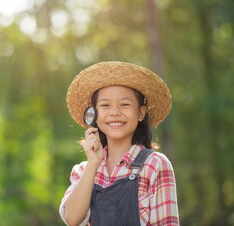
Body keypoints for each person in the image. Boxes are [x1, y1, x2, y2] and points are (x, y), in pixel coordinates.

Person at [59, 61, 179, 226]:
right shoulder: (83, 171)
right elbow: (72, 219)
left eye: (124, 104)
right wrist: (93, 164)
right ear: (93, 114)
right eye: (105, 105)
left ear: (140, 113)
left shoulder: (155, 165)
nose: (114, 112)